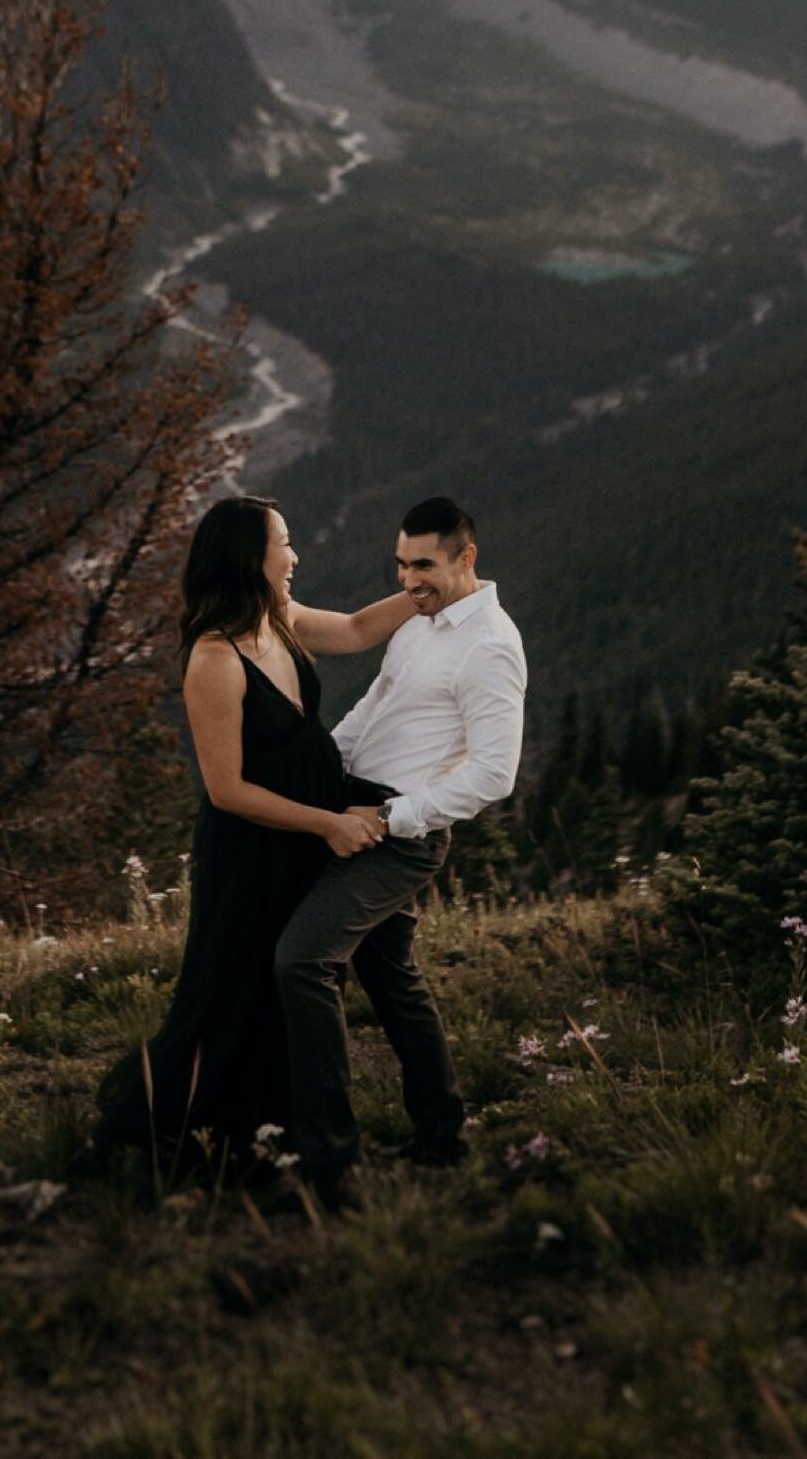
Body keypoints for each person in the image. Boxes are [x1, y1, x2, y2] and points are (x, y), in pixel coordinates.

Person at [90, 495, 414, 1178]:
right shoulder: (215, 657)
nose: (295, 556)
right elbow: (226, 788)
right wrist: (329, 821)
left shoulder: (280, 620)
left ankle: (284, 1126)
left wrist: (428, 592)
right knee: (227, 990)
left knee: (284, 988)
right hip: (250, 854)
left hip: (299, 843)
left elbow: (356, 628)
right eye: (284, 543)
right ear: (249, 556)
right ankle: (199, 1131)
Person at [273, 495, 526, 1206]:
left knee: (302, 960)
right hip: (352, 802)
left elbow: (493, 772)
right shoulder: (419, 625)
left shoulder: (492, 646)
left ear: (465, 557)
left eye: (423, 565)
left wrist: (395, 816)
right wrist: (324, 774)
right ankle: (441, 1134)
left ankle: (330, 1154)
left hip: (400, 833)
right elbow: (373, 709)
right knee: (391, 976)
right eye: (401, 563)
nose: (408, 579)